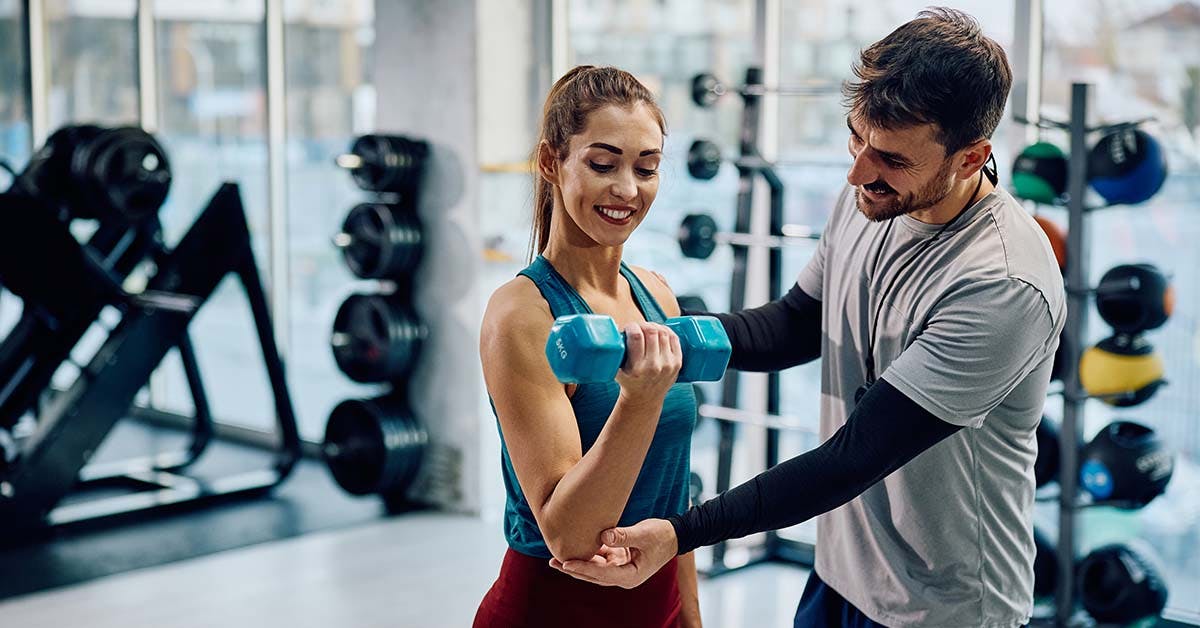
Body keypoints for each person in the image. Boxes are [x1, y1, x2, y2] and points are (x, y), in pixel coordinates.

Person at [553, 9, 1067, 628]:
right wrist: (657, 335)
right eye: (856, 137)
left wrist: (681, 533)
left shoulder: (1001, 283)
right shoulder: (872, 198)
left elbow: (853, 457)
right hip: (841, 574)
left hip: (944, 604)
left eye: (891, 159)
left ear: (969, 158)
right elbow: (796, 324)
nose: (857, 171)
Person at [473, 65, 702, 628]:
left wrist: (691, 618)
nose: (627, 188)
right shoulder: (524, 315)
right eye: (603, 164)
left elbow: (675, 496)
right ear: (552, 162)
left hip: (658, 603)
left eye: (646, 168)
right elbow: (569, 534)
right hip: (555, 608)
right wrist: (641, 400)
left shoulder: (658, 297)